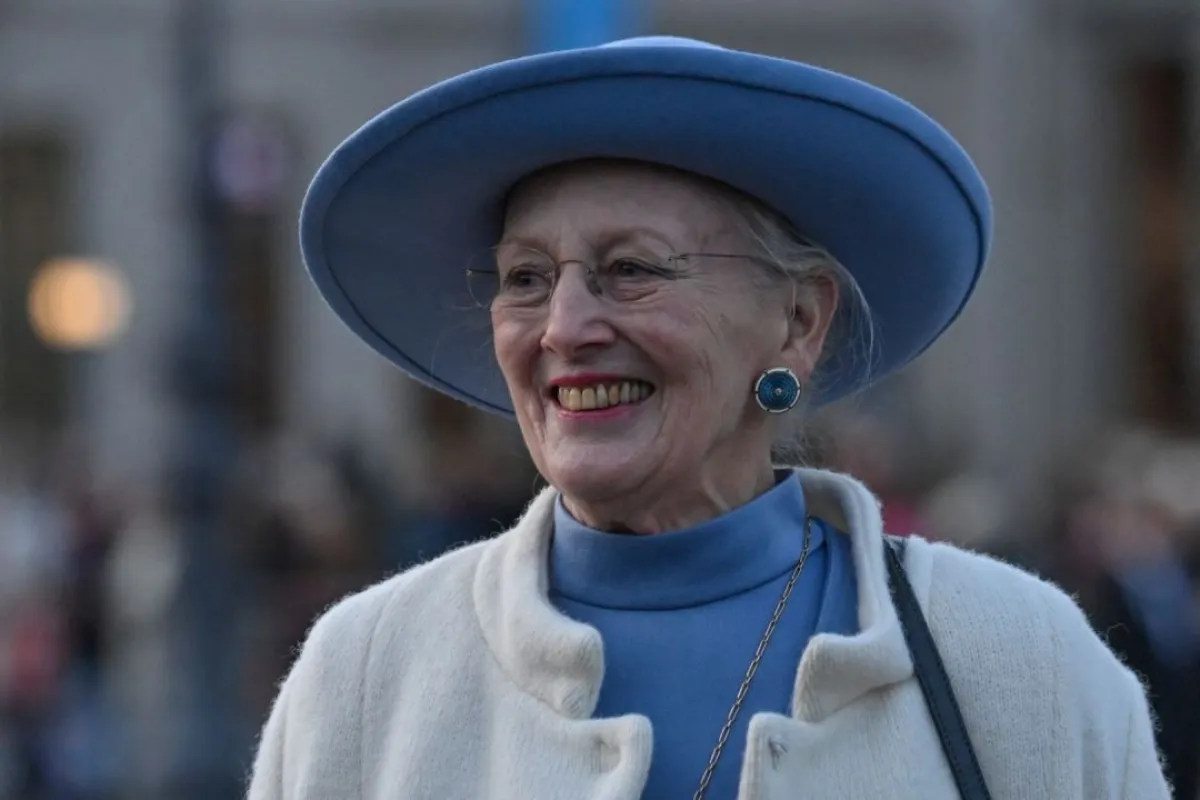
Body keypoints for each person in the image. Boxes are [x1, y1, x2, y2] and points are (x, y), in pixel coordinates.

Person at [247, 37, 1169, 799]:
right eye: (527, 278)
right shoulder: (368, 674)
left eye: (633, 269)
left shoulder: (1026, 666)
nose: (565, 328)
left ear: (799, 322)